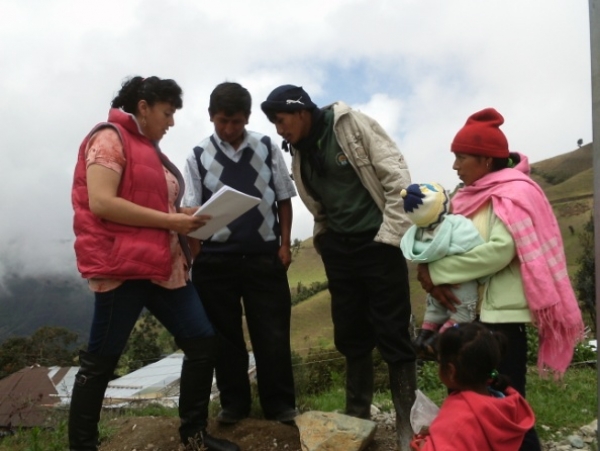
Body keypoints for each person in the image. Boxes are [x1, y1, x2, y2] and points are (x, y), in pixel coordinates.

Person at [70, 76, 239, 451]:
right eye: (167, 112)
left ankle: (194, 435)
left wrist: (184, 214)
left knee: (202, 342)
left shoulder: (148, 148)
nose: (172, 122)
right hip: (122, 267)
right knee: (100, 363)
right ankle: (82, 446)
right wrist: (172, 221)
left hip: (164, 266)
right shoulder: (109, 139)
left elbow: (148, 205)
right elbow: (102, 202)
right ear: (143, 107)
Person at [416, 108, 585, 451]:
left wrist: (435, 273)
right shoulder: (468, 197)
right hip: (466, 315)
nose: (455, 166)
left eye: (461, 157)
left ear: (486, 160)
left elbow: (500, 251)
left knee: (505, 411)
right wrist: (427, 272)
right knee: (467, 406)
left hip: (501, 320)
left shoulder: (514, 193)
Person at [261, 85, 417, 450]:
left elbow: (396, 177)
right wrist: (325, 238)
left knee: (393, 332)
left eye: (281, 121)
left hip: (378, 243)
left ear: (299, 112)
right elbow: (318, 201)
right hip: (340, 249)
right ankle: (357, 416)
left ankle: (407, 423)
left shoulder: (351, 126)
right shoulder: (300, 148)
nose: (279, 129)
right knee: (350, 332)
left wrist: (390, 236)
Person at [182, 82, 298, 425]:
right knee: (224, 337)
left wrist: (286, 243)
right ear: (211, 118)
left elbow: (283, 197)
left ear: (247, 118)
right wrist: (197, 254)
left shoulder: (266, 147)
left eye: (236, 122)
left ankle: (280, 405)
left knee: (273, 333)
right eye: (222, 122)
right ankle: (234, 405)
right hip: (216, 261)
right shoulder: (197, 154)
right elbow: (190, 207)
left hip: (264, 257)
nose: (229, 129)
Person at [414, 322, 535, 451]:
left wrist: (423, 446)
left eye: (439, 361)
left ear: (451, 371)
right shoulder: (503, 405)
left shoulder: (457, 416)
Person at [399, 182, 484, 360]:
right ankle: (437, 342)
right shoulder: (455, 224)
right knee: (461, 314)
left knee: (435, 310)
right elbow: (475, 243)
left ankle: (423, 338)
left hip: (435, 285)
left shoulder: (419, 233)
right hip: (459, 282)